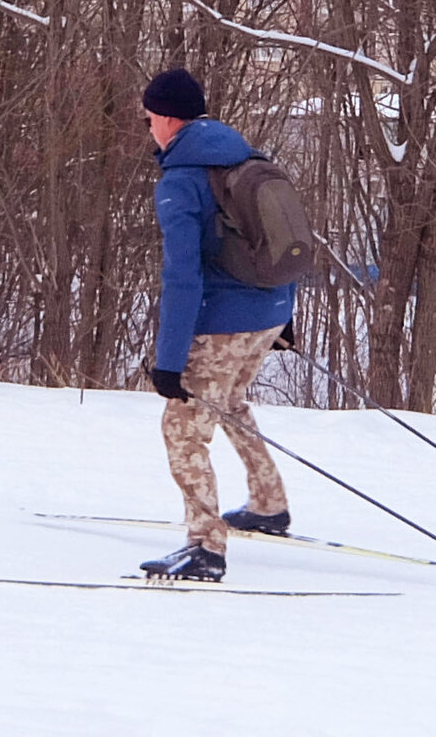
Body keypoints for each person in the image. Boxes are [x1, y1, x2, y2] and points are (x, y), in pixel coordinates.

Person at [138, 68, 297, 582]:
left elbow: (182, 278)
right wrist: (283, 316)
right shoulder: (250, 160)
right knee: (228, 404)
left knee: (183, 428)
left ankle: (205, 546)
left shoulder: (182, 180)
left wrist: (168, 362)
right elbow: (278, 237)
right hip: (267, 315)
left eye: (148, 120)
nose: (149, 131)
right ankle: (269, 504)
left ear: (165, 118)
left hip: (223, 322)